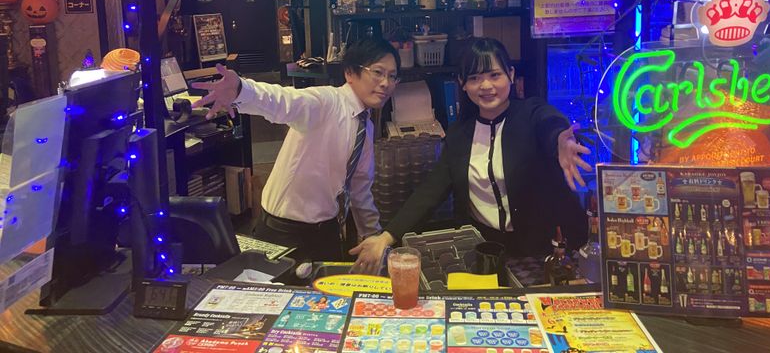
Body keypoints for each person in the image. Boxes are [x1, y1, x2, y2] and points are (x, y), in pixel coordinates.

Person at [351, 37, 590, 274]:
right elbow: (430, 192)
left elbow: (549, 123)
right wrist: (386, 237)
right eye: (474, 78)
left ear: (511, 74)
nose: (486, 85)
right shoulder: (459, 135)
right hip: (485, 252)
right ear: (462, 83)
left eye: (494, 75)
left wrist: (561, 140)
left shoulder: (531, 114)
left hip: (543, 252)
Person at [192, 37, 401, 262]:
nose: (385, 83)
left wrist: (374, 238)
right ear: (350, 73)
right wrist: (241, 90)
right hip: (283, 231)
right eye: (378, 72)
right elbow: (283, 101)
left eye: (392, 76)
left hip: (327, 231)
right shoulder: (326, 102)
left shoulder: (365, 126)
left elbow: (360, 187)